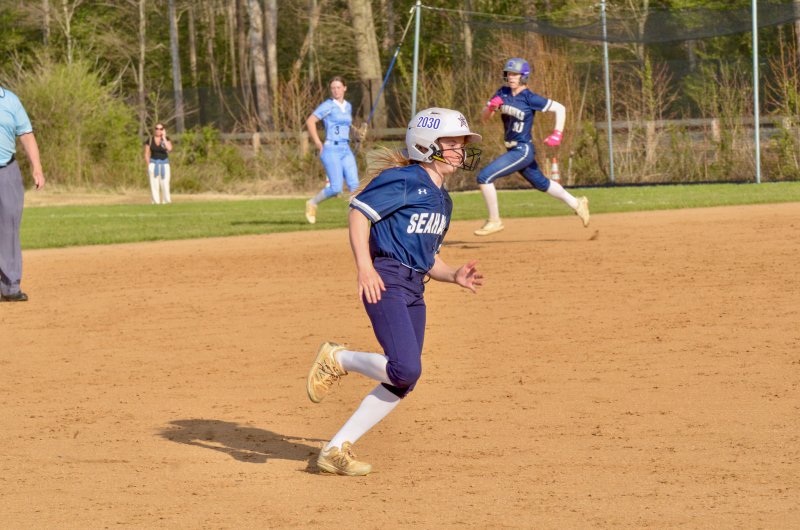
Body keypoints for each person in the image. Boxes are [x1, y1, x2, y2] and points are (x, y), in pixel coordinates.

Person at [306, 107, 485, 476]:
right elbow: (358, 213)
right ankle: (338, 359)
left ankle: (336, 448)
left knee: (404, 378)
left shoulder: (444, 200)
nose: (460, 151)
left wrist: (453, 275)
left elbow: (428, 257)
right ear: (426, 145)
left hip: (414, 287)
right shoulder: (405, 179)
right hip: (386, 278)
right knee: (405, 367)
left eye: (461, 144)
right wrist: (365, 266)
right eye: (451, 143)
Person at [473, 57, 590, 236]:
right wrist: (490, 108)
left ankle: (494, 220)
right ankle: (577, 203)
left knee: (484, 177)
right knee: (541, 183)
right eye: (509, 74)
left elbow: (560, 108)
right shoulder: (502, 93)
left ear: (524, 77)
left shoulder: (529, 98)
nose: (511, 77)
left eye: (515, 74)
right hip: (512, 149)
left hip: (523, 149)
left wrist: (557, 133)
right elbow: (483, 118)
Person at [0, 86, 44, 302]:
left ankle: (10, 287)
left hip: (6, 171)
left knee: (9, 229)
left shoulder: (11, 101)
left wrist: (37, 167)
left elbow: (26, 134)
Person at [304, 76, 360, 224]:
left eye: (338, 87)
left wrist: (356, 134)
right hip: (331, 149)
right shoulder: (328, 105)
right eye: (333, 88)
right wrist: (318, 143)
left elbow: (345, 125)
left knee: (355, 185)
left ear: (345, 88)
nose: (336, 90)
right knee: (336, 188)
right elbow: (310, 121)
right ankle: (312, 203)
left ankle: (355, 219)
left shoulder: (348, 106)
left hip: (345, 148)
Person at [144, 123, 172, 204]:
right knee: (154, 184)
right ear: (154, 129)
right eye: (157, 128)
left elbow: (169, 149)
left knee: (165, 184)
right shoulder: (149, 139)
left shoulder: (166, 139)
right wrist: (149, 165)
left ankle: (166, 201)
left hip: (164, 164)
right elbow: (146, 154)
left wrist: (163, 137)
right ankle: (155, 202)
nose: (158, 130)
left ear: (163, 130)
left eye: (161, 128)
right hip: (153, 164)